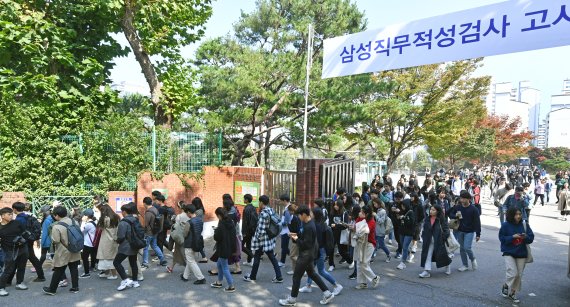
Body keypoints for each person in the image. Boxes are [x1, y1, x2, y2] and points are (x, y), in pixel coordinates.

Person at [279, 206, 335, 306]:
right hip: (310, 254)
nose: (299, 217)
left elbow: (306, 244)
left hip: (305, 255)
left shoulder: (309, 226)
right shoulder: (309, 223)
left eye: (299, 215)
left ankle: (292, 300)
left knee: (296, 277)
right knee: (312, 274)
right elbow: (307, 239)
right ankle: (327, 294)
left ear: (304, 215)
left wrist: (295, 238)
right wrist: (295, 235)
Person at [298, 208, 343, 296]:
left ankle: (337, 285)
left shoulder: (316, 225)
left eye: (311, 212)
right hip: (318, 250)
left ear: (315, 215)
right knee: (310, 269)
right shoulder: (320, 224)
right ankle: (308, 286)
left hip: (318, 250)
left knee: (321, 270)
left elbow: (316, 240)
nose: (310, 213)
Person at [243, 195, 283, 283]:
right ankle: (279, 276)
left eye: (259, 202)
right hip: (269, 239)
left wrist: (255, 238)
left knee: (258, 257)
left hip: (262, 240)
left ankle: (253, 277)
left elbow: (260, 230)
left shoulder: (264, 213)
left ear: (261, 202)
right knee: (271, 257)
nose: (259, 203)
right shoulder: (271, 210)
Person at [498, 207, 534, 304]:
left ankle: (513, 293)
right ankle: (506, 285)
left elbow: (531, 238)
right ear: (511, 215)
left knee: (519, 275)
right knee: (513, 272)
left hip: (521, 253)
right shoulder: (505, 225)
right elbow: (502, 238)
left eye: (519, 214)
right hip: (508, 252)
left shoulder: (524, 224)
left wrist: (525, 236)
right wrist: (512, 237)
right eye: (516, 214)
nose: (518, 216)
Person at [43, 206, 81, 295]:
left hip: (63, 250)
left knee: (58, 269)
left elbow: (55, 240)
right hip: (75, 248)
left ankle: (52, 289)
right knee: (74, 268)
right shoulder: (74, 221)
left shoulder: (57, 226)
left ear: (56, 215)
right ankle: (75, 287)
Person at [11, 202, 44, 282]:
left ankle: (9, 280)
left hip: (22, 242)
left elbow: (18, 232)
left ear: (14, 209)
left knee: (16, 260)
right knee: (32, 258)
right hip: (29, 240)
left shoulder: (19, 219)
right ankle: (41, 276)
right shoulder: (28, 217)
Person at [449, 191, 481, 272]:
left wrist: (478, 234)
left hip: (470, 231)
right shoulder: (458, 207)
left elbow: (477, 222)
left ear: (469, 199)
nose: (462, 200)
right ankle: (465, 265)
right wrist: (455, 216)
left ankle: (473, 259)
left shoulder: (474, 209)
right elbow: (449, 213)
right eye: (461, 198)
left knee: (467, 247)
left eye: (463, 198)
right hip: (460, 230)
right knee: (462, 249)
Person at [0, 207, 29, 296]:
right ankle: (1, 288)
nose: (11, 216)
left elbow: (25, 233)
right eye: (9, 214)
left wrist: (23, 240)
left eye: (12, 214)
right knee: (8, 269)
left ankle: (19, 283)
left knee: (22, 267)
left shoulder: (16, 223)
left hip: (22, 248)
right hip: (9, 251)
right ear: (3, 216)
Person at [114, 203, 141, 291]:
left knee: (116, 262)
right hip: (135, 244)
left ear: (124, 212)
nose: (121, 213)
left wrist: (117, 241)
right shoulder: (136, 219)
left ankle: (125, 280)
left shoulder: (123, 222)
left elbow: (121, 236)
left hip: (125, 246)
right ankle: (135, 281)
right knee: (133, 262)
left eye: (122, 211)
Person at [419, 205, 452, 277]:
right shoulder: (427, 219)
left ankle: (448, 265)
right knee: (427, 255)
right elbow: (424, 229)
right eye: (431, 209)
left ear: (437, 211)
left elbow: (446, 230)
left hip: (439, 241)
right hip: (428, 241)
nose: (431, 211)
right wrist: (423, 237)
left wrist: (442, 238)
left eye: (433, 210)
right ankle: (426, 271)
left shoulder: (441, 219)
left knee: (442, 255)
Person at [352, 205, 381, 289]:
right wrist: (351, 227)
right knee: (359, 263)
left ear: (367, 214)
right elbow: (355, 228)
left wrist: (356, 228)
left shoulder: (371, 221)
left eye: (362, 212)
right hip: (361, 243)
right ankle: (363, 283)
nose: (359, 213)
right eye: (360, 211)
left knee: (364, 263)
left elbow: (365, 231)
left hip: (369, 244)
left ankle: (374, 278)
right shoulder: (359, 219)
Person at [210, 207, 237, 292]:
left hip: (223, 248)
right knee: (219, 264)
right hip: (229, 247)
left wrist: (215, 231)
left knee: (224, 267)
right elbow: (233, 236)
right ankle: (219, 281)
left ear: (219, 215)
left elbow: (217, 237)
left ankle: (231, 285)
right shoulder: (231, 222)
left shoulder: (221, 224)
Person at [181, 204, 206, 284]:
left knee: (191, 261)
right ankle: (185, 276)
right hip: (197, 242)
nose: (186, 215)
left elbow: (184, 234)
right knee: (190, 259)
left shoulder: (189, 222)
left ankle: (201, 278)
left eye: (186, 213)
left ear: (189, 212)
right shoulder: (200, 220)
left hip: (189, 243)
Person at [142, 196, 167, 267]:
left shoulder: (148, 212)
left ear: (144, 203)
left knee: (145, 248)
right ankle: (162, 259)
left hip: (149, 232)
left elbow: (146, 224)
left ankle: (145, 263)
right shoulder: (155, 209)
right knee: (155, 246)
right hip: (155, 231)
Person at [96, 204, 120, 280]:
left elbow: (100, 228)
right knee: (110, 257)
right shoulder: (116, 217)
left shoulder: (106, 218)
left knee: (107, 257)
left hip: (106, 239)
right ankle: (107, 273)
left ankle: (114, 274)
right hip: (114, 239)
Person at [166, 201, 190, 274]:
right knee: (177, 253)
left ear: (179, 207)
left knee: (183, 254)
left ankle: (189, 268)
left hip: (179, 237)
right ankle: (171, 267)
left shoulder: (179, 216)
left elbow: (175, 227)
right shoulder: (188, 215)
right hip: (187, 236)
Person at [330, 199, 354, 267]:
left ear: (340, 205)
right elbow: (330, 223)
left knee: (341, 251)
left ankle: (350, 261)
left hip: (341, 234)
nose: (335, 206)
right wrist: (336, 226)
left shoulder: (344, 213)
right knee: (331, 249)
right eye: (334, 205)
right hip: (333, 233)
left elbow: (345, 226)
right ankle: (331, 264)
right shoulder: (332, 212)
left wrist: (336, 225)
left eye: (337, 205)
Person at [395, 196, 415, 270]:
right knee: (403, 245)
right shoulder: (401, 211)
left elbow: (412, 223)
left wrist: (404, 218)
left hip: (409, 232)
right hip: (402, 231)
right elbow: (398, 222)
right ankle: (409, 254)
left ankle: (402, 262)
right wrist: (398, 218)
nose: (402, 207)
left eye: (403, 205)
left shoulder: (411, 212)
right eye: (402, 205)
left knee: (405, 246)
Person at [80, 209, 97, 278]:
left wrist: (83, 222)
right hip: (93, 242)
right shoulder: (94, 222)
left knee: (84, 258)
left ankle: (86, 273)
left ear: (87, 216)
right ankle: (93, 267)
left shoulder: (88, 224)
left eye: (84, 215)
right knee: (93, 255)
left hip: (87, 243)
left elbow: (82, 230)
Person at [241, 194, 258, 266]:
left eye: (244, 199)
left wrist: (243, 231)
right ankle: (249, 261)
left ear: (247, 200)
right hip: (252, 230)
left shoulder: (246, 208)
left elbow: (245, 221)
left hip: (247, 230)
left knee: (240, 245)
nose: (243, 200)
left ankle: (252, 256)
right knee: (248, 245)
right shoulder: (253, 207)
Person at [191, 197, 209, 263]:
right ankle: (203, 257)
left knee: (196, 241)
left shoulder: (198, 211)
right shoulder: (201, 210)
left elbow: (192, 217)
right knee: (197, 241)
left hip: (197, 227)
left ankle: (203, 257)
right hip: (199, 227)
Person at [278, 194, 292, 268]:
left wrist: (279, 223)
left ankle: (282, 262)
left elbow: (287, 222)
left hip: (286, 231)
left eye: (281, 201)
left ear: (285, 201)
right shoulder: (289, 207)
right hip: (288, 231)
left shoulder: (287, 210)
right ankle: (291, 255)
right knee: (285, 246)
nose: (280, 202)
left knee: (284, 247)